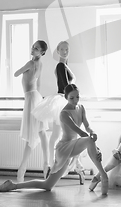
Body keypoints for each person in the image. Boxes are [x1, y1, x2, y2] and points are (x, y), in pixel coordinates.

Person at [0, 84, 109, 195]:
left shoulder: (81, 108)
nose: (75, 100)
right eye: (72, 98)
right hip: (64, 148)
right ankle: (103, 176)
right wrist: (94, 145)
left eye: (77, 97)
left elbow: (87, 127)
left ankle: (13, 185)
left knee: (47, 185)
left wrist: (93, 132)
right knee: (88, 141)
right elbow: (81, 132)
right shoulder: (64, 113)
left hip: (73, 146)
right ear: (66, 98)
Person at [32, 41, 81, 181]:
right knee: (58, 134)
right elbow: (66, 87)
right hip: (63, 100)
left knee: (60, 134)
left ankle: (55, 164)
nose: (65, 51)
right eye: (62, 49)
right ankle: (51, 164)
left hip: (66, 100)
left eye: (67, 49)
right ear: (57, 51)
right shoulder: (60, 65)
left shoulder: (64, 65)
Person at [15, 40, 50, 182]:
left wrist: (25, 68)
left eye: (36, 48)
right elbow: (38, 83)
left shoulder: (30, 64)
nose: (33, 49)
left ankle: (22, 170)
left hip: (31, 98)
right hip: (36, 97)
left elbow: (16, 74)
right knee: (41, 132)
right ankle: (46, 164)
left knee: (34, 134)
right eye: (32, 47)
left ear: (42, 52)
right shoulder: (40, 64)